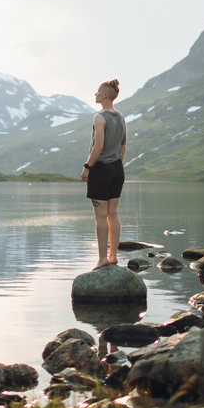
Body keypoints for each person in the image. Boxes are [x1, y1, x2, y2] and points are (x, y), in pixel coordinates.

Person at [81, 79, 127, 270]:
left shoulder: (99, 117)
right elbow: (123, 147)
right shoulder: (121, 118)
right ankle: (113, 256)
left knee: (101, 216)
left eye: (98, 92)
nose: (96, 94)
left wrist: (87, 167)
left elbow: (98, 146)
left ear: (105, 95)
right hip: (117, 168)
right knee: (113, 213)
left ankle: (101, 259)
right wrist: (116, 165)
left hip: (100, 169)